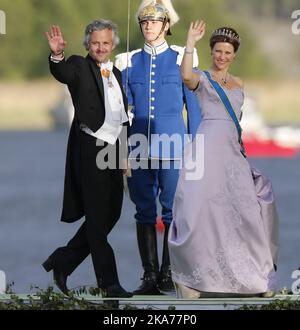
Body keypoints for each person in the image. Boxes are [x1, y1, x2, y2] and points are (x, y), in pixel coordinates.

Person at [168, 21, 279, 298]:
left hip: (232, 153)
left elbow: (236, 123)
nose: (222, 56)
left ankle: (255, 279)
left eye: (227, 52)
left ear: (234, 55)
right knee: (195, 211)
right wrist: (190, 43)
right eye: (218, 51)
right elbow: (185, 76)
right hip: (205, 150)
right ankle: (191, 279)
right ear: (212, 51)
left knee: (245, 214)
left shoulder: (240, 84)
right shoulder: (202, 78)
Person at [115, 0, 201, 295]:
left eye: (155, 21)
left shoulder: (181, 58)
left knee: (172, 212)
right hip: (138, 147)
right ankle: (149, 276)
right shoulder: (126, 61)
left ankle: (167, 274)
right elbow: (119, 113)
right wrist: (121, 152)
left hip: (174, 146)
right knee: (143, 211)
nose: (149, 26)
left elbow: (194, 108)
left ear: (166, 26)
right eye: (145, 22)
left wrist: (196, 148)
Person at [42, 20, 132, 298]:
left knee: (111, 214)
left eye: (106, 43)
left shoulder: (116, 72)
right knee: (96, 219)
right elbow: (62, 72)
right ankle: (110, 284)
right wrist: (57, 55)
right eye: (95, 43)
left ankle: (63, 261)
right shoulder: (79, 67)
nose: (101, 47)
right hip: (90, 146)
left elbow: (122, 115)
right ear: (87, 44)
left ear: (113, 44)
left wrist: (126, 156)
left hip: (116, 149)